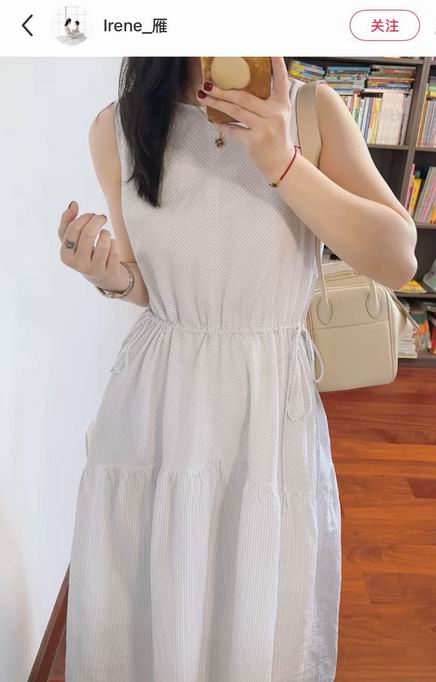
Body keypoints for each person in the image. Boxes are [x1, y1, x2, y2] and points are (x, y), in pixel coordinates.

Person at [61, 56, 417, 681]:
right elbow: (146, 282)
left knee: (254, 599)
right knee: (152, 599)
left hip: (266, 408)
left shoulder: (310, 111)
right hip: (158, 404)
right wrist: (109, 277)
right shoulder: (118, 127)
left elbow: (397, 258)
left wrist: (284, 162)